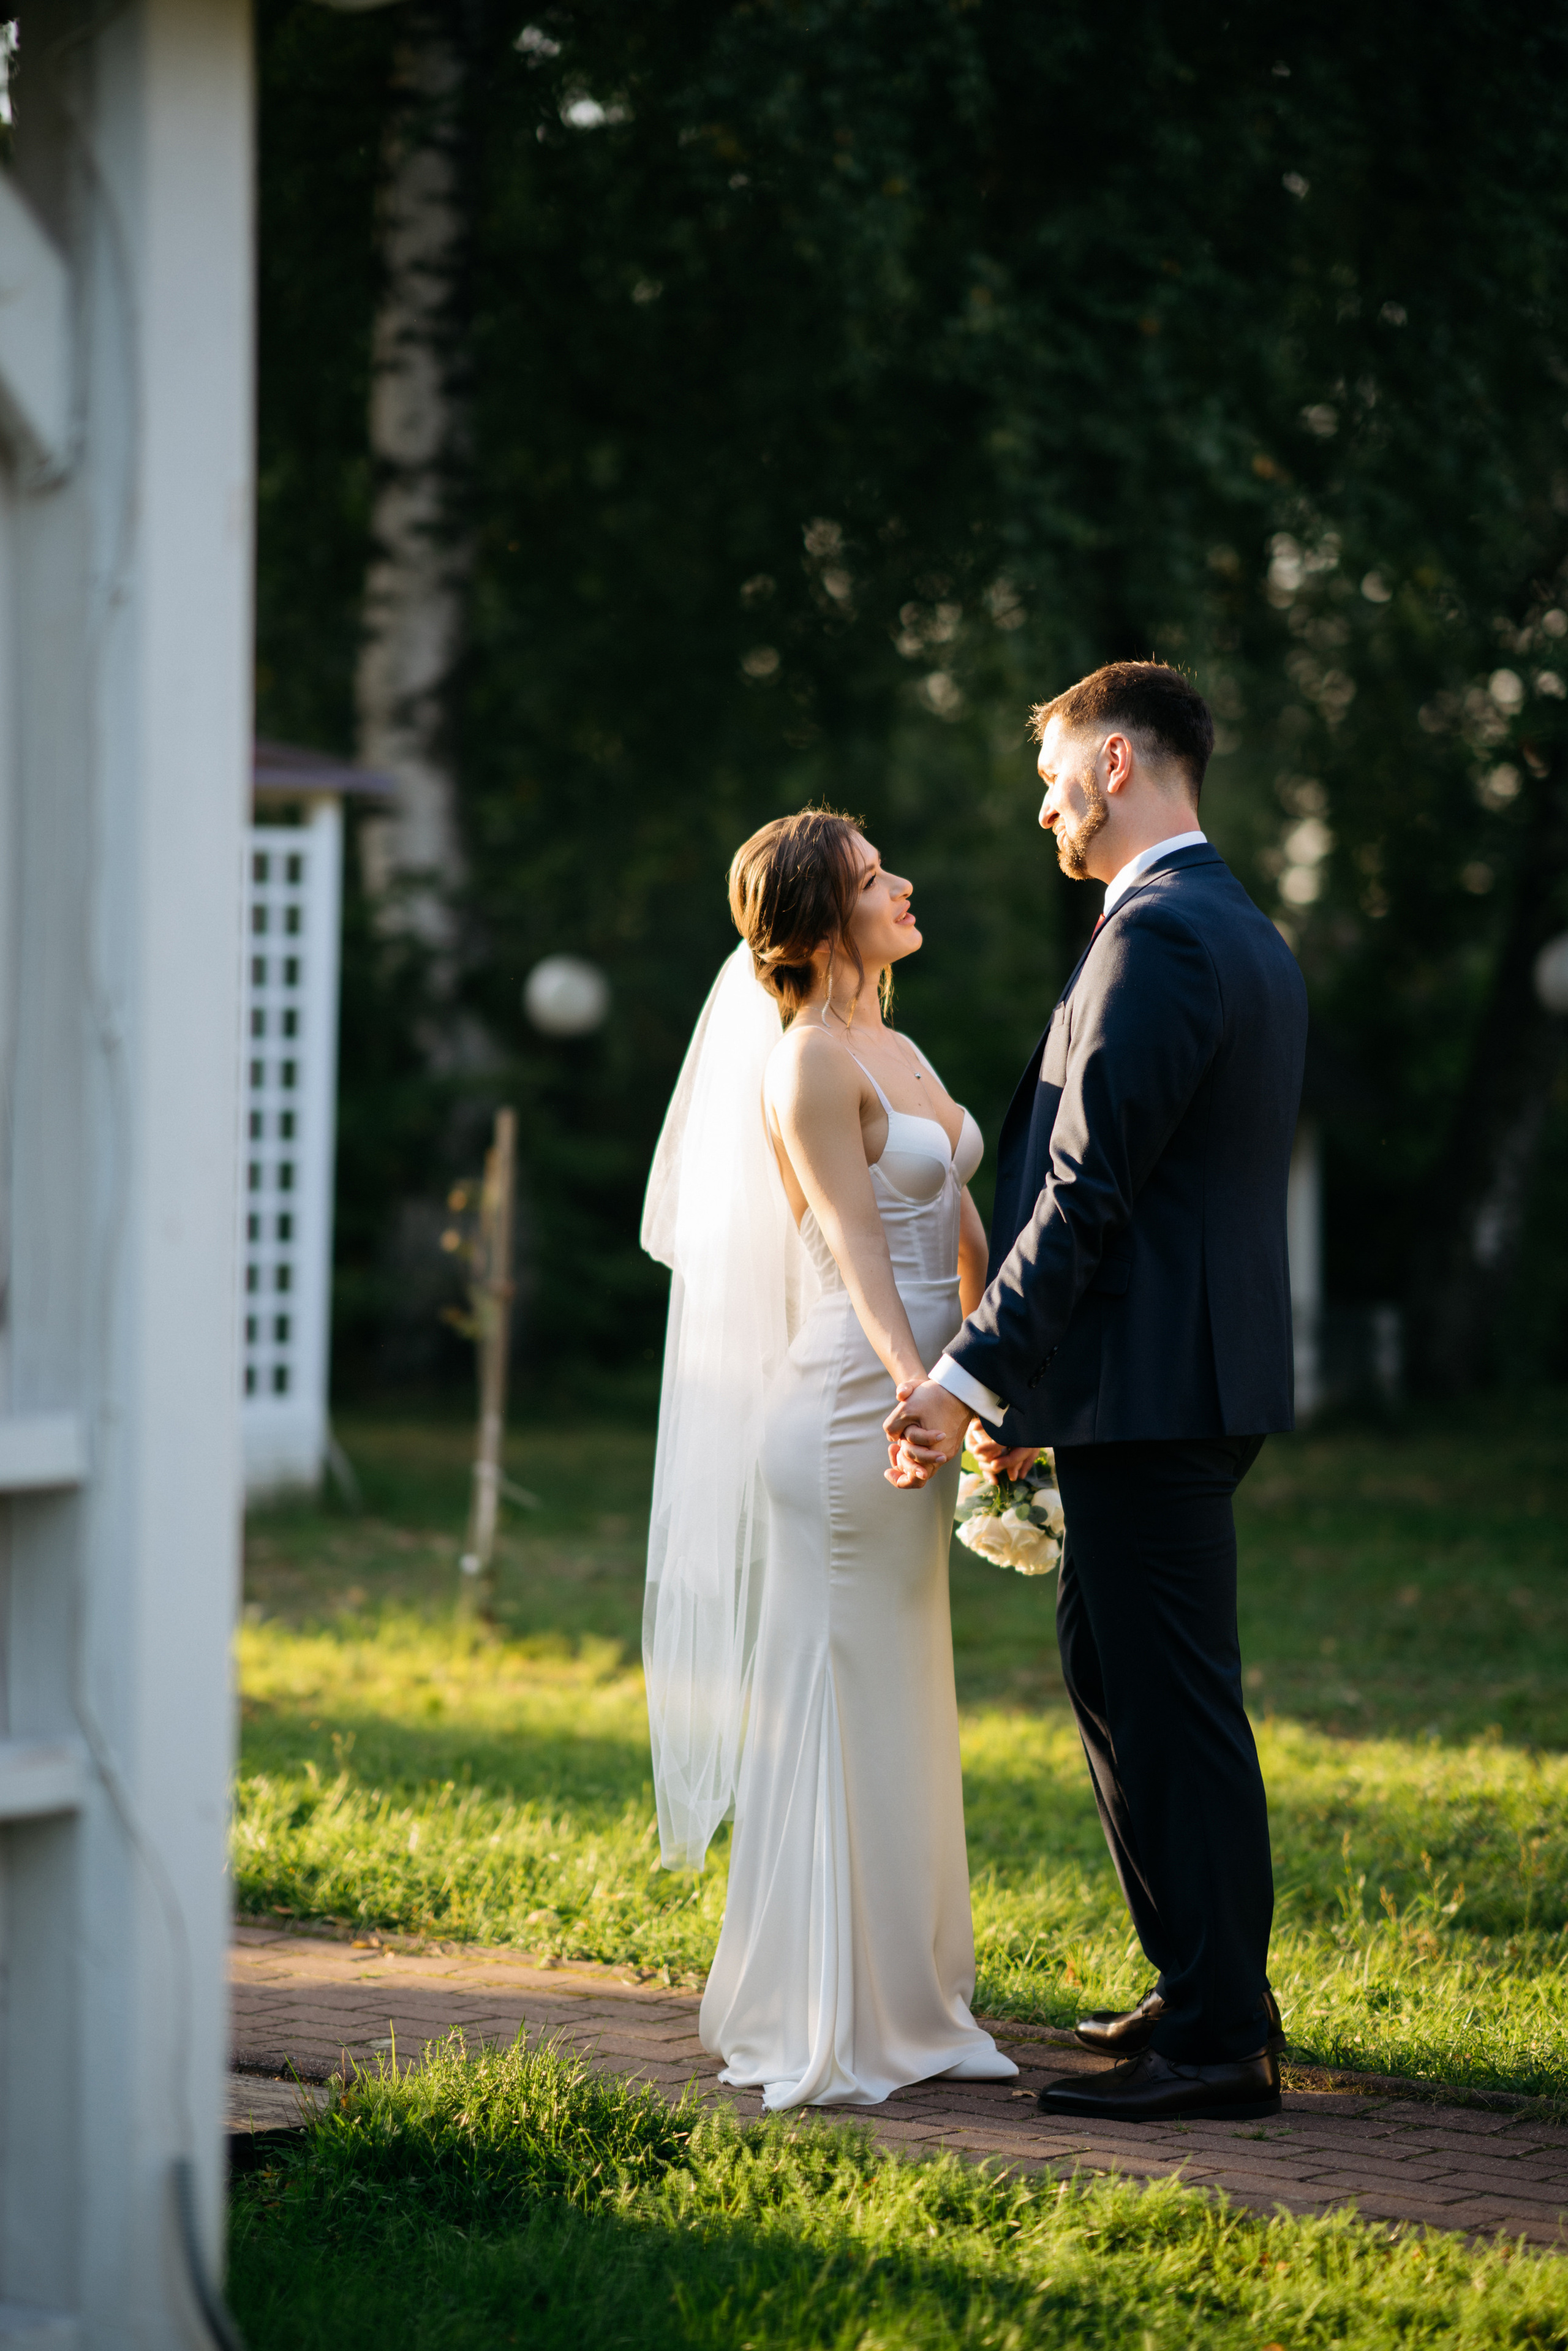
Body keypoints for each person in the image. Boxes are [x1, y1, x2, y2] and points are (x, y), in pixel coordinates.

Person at [886, 662, 1307, 2125]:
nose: (1043, 800)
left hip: (1159, 1383)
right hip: (1152, 1377)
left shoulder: (1166, 938)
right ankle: (1199, 1990)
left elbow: (1086, 1193)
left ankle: (1218, 2042)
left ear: (1118, 761)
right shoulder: (1226, 924)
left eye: (1057, 770)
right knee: (1117, 1671)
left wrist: (968, 1373)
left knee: (1174, 1702)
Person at [640, 808, 1016, 2109]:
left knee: (900, 1699)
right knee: (838, 1699)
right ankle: (829, 2015)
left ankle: (914, 2002)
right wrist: (918, 1382)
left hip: (923, 1403)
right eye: (871, 878)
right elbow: (858, 1247)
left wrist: (985, 1381)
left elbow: (960, 1214)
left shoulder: (896, 1044)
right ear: (813, 922)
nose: (902, 884)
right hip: (851, 1412)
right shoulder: (804, 1062)